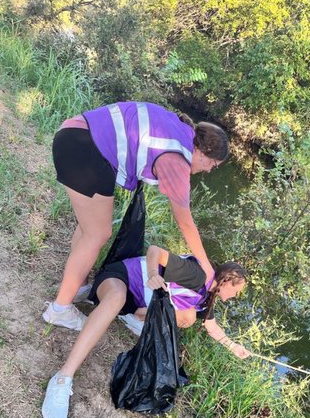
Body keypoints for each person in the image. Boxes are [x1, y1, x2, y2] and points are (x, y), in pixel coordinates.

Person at [44, 101, 228, 331]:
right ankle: (60, 309)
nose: (210, 170)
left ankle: (78, 286)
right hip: (87, 150)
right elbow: (185, 222)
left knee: (88, 226)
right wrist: (206, 267)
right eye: (213, 164)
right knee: (97, 233)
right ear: (203, 151)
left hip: (73, 135)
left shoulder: (179, 130)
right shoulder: (178, 158)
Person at [41, 244, 249, 418]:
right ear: (228, 281)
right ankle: (63, 378)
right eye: (236, 291)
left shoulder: (207, 297)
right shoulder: (198, 275)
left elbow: (212, 327)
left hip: (136, 301)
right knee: (116, 298)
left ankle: (134, 316)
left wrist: (234, 347)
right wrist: (152, 273)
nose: (235, 296)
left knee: (190, 317)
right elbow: (155, 251)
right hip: (120, 278)